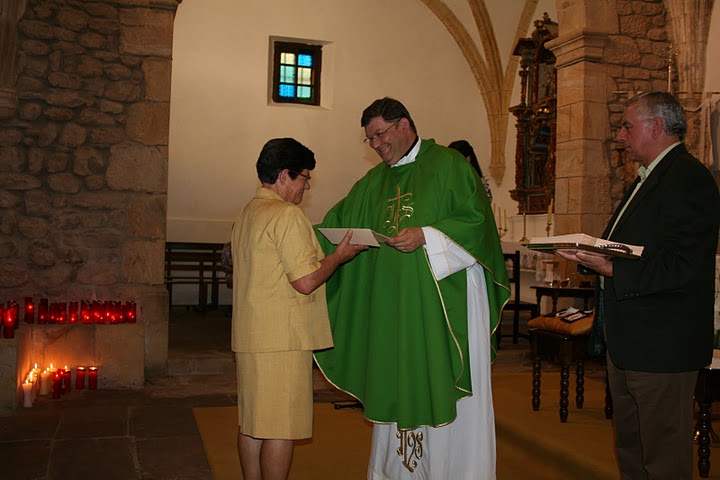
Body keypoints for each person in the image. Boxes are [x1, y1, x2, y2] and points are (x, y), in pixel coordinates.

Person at [314, 97, 510, 479]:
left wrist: (427, 235)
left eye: (380, 135)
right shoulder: (372, 183)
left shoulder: (449, 166)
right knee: (395, 376)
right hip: (393, 311)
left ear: (404, 125)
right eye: (370, 139)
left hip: (440, 309)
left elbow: (477, 223)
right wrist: (289, 242)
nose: (376, 145)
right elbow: (335, 225)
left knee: (439, 383)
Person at [556, 91, 720, 479]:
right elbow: (632, 248)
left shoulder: (689, 178)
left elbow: (685, 264)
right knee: (632, 448)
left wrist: (613, 269)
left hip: (663, 345)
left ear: (656, 126)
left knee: (663, 456)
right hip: (631, 341)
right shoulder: (649, 179)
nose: (620, 135)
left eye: (627, 126)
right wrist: (591, 255)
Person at [231, 138, 366, 480]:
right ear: (284, 175)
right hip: (282, 340)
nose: (307, 186)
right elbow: (305, 281)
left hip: (251, 335)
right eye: (304, 178)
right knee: (280, 428)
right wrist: (339, 256)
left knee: (252, 424)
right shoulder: (286, 215)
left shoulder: (247, 212)